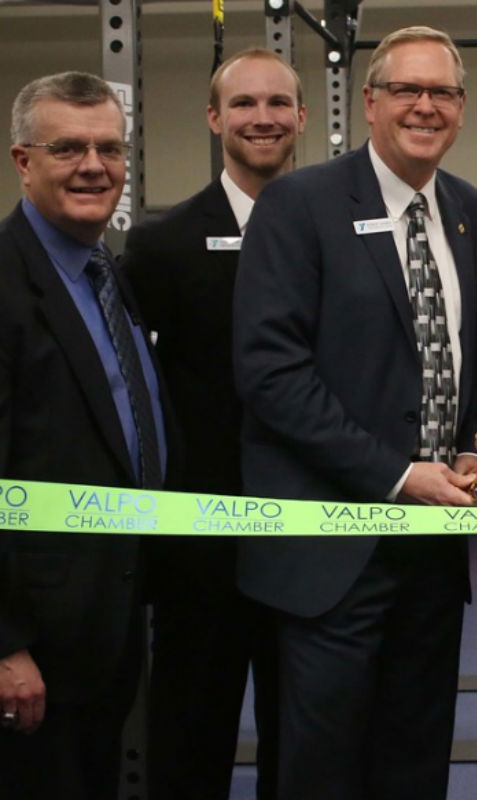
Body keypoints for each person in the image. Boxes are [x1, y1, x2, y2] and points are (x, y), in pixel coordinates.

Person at [231, 26, 477, 800]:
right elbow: (270, 373)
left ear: (461, 107)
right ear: (370, 102)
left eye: (442, 92)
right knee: (323, 770)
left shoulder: (471, 214)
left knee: (415, 761)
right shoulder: (299, 204)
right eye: (407, 91)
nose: (425, 106)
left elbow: (472, 357)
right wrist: (396, 475)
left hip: (432, 552)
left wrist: (475, 447)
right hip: (330, 550)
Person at [121, 48, 304, 800]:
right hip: (202, 542)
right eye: (244, 104)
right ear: (213, 118)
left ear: (299, 116)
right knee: (191, 735)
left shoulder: (331, 234)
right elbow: (138, 392)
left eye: (277, 104)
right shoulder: (160, 246)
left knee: (301, 741)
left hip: (306, 532)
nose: (262, 118)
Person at [0, 71, 173, 799]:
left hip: (107, 618)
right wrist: (4, 645)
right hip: (34, 642)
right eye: (67, 147)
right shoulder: (7, 283)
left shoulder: (105, 271)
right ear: (22, 160)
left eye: (110, 147)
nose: (94, 166)